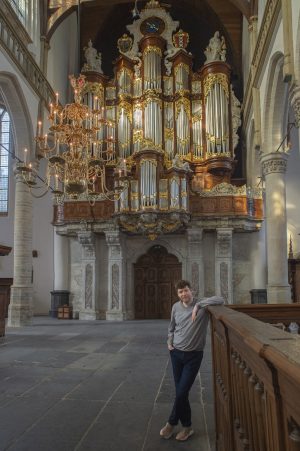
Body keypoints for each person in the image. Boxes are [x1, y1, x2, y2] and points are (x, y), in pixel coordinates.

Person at [160, 279, 224, 441]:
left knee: (181, 392)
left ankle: (172, 422)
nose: (183, 294)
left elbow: (221, 300)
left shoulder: (202, 305)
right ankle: (187, 427)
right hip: (176, 354)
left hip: (193, 356)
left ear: (191, 291)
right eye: (180, 292)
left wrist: (198, 306)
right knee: (181, 392)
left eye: (186, 290)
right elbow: (171, 327)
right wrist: (169, 341)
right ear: (178, 294)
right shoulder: (175, 307)